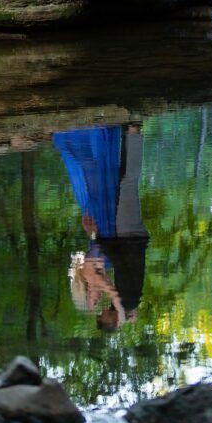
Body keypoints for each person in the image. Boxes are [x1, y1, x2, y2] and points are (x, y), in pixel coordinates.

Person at [54, 124, 149, 330]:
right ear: (112, 320)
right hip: (129, 237)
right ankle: (133, 133)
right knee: (128, 183)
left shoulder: (123, 300)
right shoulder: (124, 301)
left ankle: (131, 134)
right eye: (102, 315)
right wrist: (124, 315)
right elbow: (114, 289)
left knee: (124, 182)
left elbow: (111, 270)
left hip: (125, 238)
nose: (101, 309)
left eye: (96, 307)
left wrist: (96, 237)